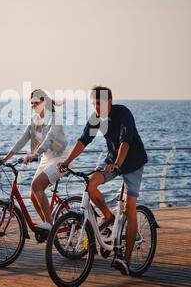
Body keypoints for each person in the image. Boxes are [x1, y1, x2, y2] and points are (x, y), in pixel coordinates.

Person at [58, 86, 148, 275]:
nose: (96, 107)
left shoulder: (123, 114)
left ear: (110, 101)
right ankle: (108, 215)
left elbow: (125, 142)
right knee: (90, 184)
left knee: (130, 208)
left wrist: (117, 164)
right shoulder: (96, 118)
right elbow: (83, 141)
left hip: (132, 162)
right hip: (111, 160)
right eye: (93, 104)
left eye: (99, 103)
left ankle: (127, 260)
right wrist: (66, 162)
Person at [0, 89, 69, 231]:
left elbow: (49, 139)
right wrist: (5, 158)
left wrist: (34, 155)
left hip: (61, 159)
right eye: (31, 104)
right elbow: (23, 138)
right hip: (46, 158)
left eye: (36, 103)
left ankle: (49, 225)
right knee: (32, 193)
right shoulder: (34, 119)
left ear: (44, 102)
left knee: (37, 186)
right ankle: (47, 227)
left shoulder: (55, 117)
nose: (33, 106)